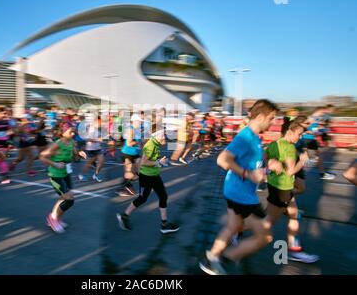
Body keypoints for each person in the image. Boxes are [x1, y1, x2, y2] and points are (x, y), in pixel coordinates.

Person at [199, 99, 278, 275]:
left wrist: (267, 167)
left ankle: (210, 258)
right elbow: (222, 159)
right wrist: (247, 174)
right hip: (242, 195)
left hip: (234, 191)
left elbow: (252, 164)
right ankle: (227, 259)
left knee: (233, 226)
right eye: (272, 118)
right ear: (260, 116)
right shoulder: (246, 137)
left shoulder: (255, 137)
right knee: (265, 237)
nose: (274, 122)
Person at [264, 117, 319, 263]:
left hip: (277, 186)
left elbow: (266, 157)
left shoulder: (274, 144)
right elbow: (290, 172)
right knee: (266, 223)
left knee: (293, 215)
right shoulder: (289, 148)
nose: (300, 137)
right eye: (299, 134)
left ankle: (294, 250)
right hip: (282, 188)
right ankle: (236, 231)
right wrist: (302, 161)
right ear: (290, 131)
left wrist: (271, 164)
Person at [116, 130, 180, 234]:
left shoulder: (154, 143)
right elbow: (144, 162)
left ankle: (164, 224)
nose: (165, 138)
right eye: (163, 136)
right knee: (143, 198)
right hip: (147, 176)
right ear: (157, 136)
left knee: (162, 196)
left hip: (153, 175)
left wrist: (160, 161)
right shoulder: (151, 145)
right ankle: (124, 216)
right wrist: (159, 162)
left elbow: (149, 159)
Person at [40, 123, 86, 233]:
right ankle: (53, 218)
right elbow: (42, 156)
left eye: (74, 131)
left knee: (64, 198)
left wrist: (79, 153)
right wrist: (55, 164)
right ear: (63, 132)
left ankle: (55, 218)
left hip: (66, 173)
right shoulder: (57, 144)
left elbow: (73, 157)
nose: (73, 133)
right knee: (69, 200)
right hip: (56, 175)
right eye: (71, 131)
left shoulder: (72, 142)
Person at [117, 114, 143, 197]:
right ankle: (121, 189)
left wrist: (143, 145)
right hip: (127, 154)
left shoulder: (137, 130)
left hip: (135, 154)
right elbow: (128, 143)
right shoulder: (130, 130)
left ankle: (128, 185)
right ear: (134, 121)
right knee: (130, 173)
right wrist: (138, 143)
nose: (140, 123)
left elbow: (140, 142)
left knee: (138, 173)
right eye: (139, 121)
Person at [78, 117, 104, 182]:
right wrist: (98, 140)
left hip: (98, 149)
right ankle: (81, 175)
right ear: (95, 122)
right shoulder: (90, 129)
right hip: (90, 149)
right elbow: (88, 139)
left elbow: (99, 138)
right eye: (99, 122)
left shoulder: (97, 129)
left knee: (101, 161)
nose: (100, 124)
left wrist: (100, 140)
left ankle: (96, 174)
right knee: (88, 164)